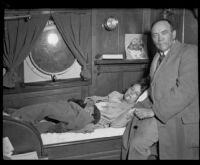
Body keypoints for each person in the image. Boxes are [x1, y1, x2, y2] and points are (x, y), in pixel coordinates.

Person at [122, 19, 199, 160]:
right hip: (162, 115)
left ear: (173, 34)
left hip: (179, 119)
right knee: (135, 144)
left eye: (164, 33)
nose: (159, 38)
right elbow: (154, 91)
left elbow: (186, 91)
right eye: (155, 35)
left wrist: (153, 111)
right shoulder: (157, 57)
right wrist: (136, 107)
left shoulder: (189, 52)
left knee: (139, 145)